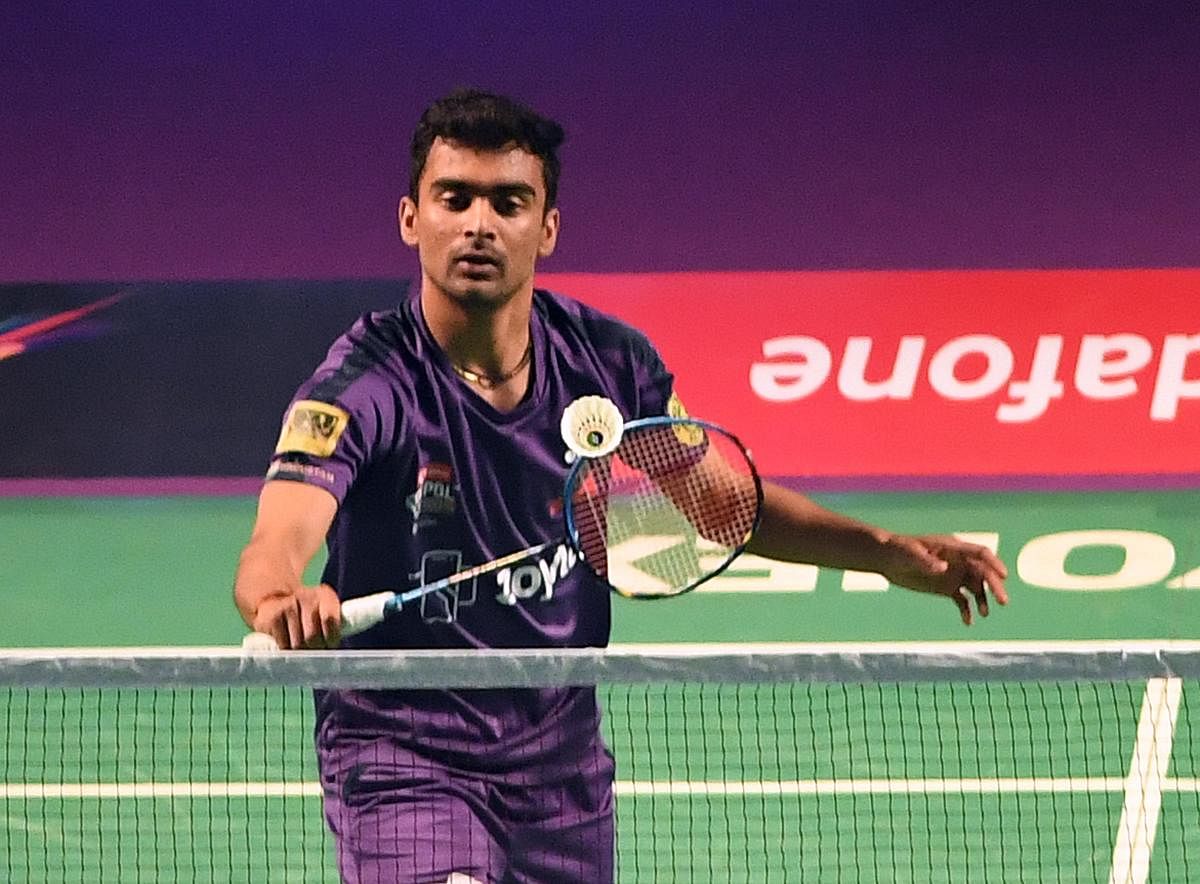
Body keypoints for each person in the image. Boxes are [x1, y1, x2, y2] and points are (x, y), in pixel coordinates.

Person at [233, 89, 1008, 884]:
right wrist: (280, 599)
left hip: (557, 763)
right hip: (403, 753)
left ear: (548, 228)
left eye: (509, 202)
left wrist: (884, 553)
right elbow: (276, 540)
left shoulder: (606, 361)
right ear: (411, 218)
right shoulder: (365, 385)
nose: (478, 224)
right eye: (453, 198)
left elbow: (723, 504)